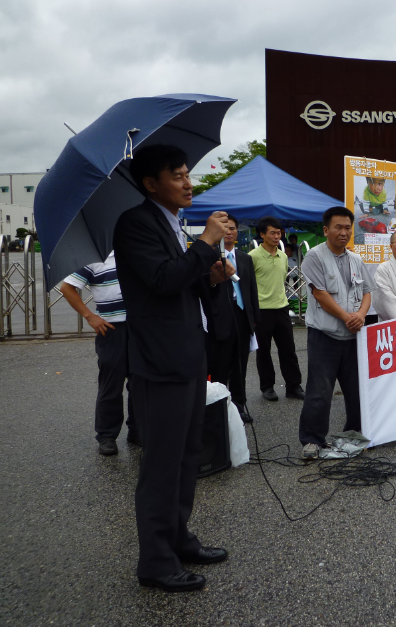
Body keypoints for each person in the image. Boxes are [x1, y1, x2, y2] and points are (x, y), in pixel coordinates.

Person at [114, 144, 233, 593]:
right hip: (159, 362)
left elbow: (178, 283)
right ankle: (156, 563)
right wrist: (204, 244)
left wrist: (209, 275)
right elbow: (161, 280)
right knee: (162, 465)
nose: (189, 183)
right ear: (150, 184)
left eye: (188, 174)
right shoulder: (134, 224)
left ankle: (179, 537)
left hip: (186, 356)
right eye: (178, 176)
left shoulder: (171, 224)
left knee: (186, 458)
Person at [299, 207, 375, 459]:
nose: (344, 232)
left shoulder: (356, 260)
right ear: (326, 230)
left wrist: (361, 315)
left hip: (354, 336)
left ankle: (354, 432)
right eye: (338, 227)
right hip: (325, 337)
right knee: (320, 391)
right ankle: (312, 440)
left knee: (356, 390)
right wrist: (347, 317)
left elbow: (366, 293)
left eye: (347, 228)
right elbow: (319, 293)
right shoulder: (314, 257)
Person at [60, 252, 138, 455]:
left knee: (140, 382)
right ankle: (107, 435)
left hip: (140, 328)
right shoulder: (95, 258)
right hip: (111, 330)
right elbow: (67, 288)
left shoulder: (136, 251)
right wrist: (90, 316)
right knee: (111, 384)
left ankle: (137, 430)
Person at [205, 214, 261, 422]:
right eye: (225, 228)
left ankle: (239, 405)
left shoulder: (245, 258)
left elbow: (251, 289)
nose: (229, 232)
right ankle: (219, 407)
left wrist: (254, 316)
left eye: (233, 228)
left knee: (240, 365)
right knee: (220, 366)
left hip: (242, 315)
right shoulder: (210, 256)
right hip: (219, 317)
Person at [249, 217, 305, 401]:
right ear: (262, 234)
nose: (276, 236)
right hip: (262, 310)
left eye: (279, 233)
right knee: (263, 351)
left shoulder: (283, 256)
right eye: (272, 233)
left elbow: (281, 281)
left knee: (288, 349)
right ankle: (267, 387)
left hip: (282, 308)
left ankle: (293, 386)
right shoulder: (253, 257)